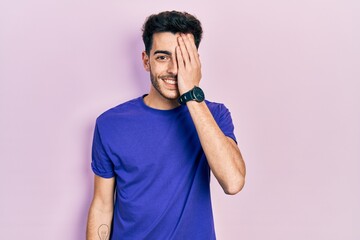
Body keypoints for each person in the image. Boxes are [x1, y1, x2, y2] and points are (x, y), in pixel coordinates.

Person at [86, 10, 246, 240]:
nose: (173, 69)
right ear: (146, 60)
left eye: (182, 59)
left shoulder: (214, 115)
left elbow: (233, 182)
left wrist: (192, 94)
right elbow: (102, 206)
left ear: (196, 63)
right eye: (162, 57)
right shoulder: (110, 124)